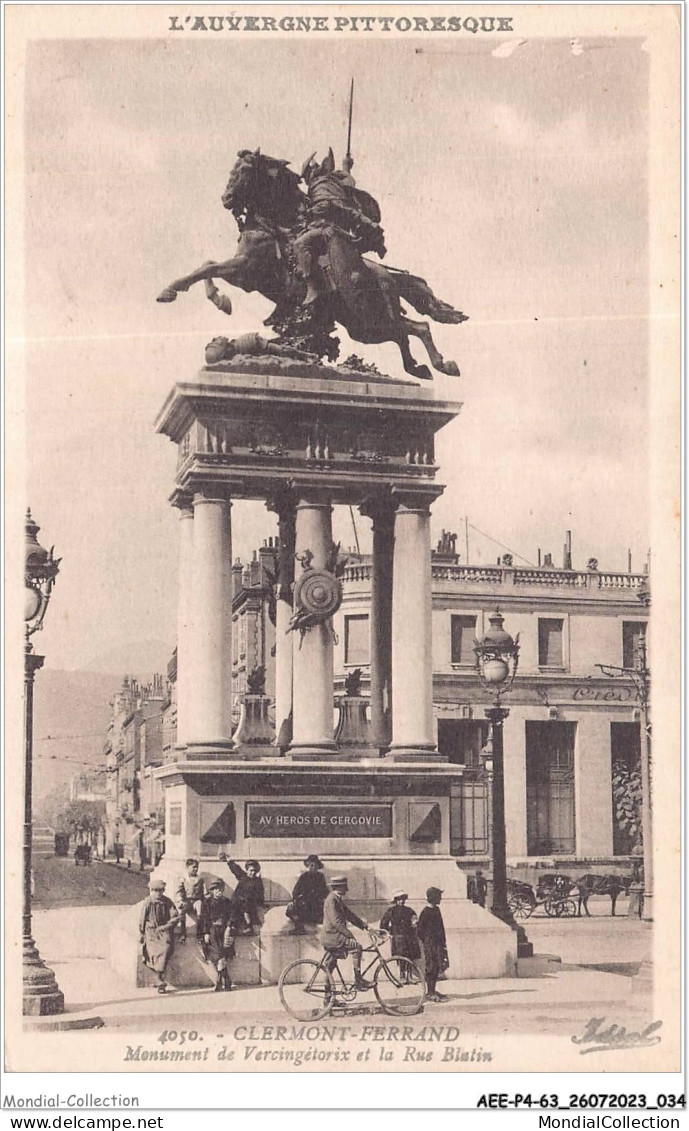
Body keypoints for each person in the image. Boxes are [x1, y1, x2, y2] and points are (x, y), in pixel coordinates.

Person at [293, 148, 386, 306]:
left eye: (308, 173)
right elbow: (349, 183)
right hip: (342, 232)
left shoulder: (319, 186)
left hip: (324, 230)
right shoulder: (334, 182)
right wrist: (346, 167)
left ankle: (312, 287)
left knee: (299, 244)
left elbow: (326, 206)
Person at [321, 875, 371, 991]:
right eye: (345, 886)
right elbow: (337, 922)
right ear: (339, 887)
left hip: (332, 937)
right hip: (333, 937)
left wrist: (365, 927)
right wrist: (350, 937)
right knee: (357, 947)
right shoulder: (332, 900)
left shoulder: (336, 899)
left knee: (329, 968)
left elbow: (350, 915)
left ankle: (327, 1000)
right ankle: (358, 981)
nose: (347, 889)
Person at [139, 879, 183, 994]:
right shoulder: (148, 902)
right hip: (151, 932)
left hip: (163, 930)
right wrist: (142, 933)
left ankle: (159, 977)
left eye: (160, 891)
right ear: (151, 891)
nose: (158, 893)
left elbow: (175, 916)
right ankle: (159, 979)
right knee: (154, 952)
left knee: (166, 947)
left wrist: (166, 926)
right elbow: (142, 919)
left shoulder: (167, 902)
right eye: (156, 891)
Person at [198, 878, 235, 992]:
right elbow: (204, 919)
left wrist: (229, 926)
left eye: (220, 889)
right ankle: (226, 979)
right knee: (219, 955)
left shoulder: (227, 902)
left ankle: (220, 981)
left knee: (222, 954)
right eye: (216, 889)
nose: (219, 891)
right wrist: (206, 932)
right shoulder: (207, 903)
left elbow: (232, 916)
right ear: (212, 891)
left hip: (224, 931)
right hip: (212, 930)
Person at [417, 887, 449, 1003]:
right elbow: (420, 930)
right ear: (433, 898)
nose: (441, 898)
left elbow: (441, 928)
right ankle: (430, 992)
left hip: (438, 943)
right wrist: (427, 941)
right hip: (430, 943)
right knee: (431, 966)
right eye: (439, 896)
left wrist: (443, 942)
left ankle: (433, 990)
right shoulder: (425, 912)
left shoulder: (437, 910)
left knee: (436, 966)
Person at [218, 853, 265, 933]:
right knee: (233, 906)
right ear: (246, 870)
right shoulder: (243, 876)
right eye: (250, 870)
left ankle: (248, 926)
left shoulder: (257, 881)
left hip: (248, 903)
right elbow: (235, 869)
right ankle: (233, 925)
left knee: (246, 906)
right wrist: (229, 861)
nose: (252, 873)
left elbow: (260, 893)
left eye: (254, 871)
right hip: (237, 901)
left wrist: (260, 903)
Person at [286, 854, 329, 933]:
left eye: (314, 865)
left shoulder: (320, 877)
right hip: (305, 904)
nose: (312, 867)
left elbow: (325, 892)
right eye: (310, 865)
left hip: (317, 905)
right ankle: (299, 927)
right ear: (308, 866)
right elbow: (296, 891)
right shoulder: (304, 876)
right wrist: (292, 901)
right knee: (291, 910)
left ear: (317, 866)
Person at [380, 890, 420, 969]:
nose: (401, 901)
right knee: (400, 956)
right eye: (399, 899)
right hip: (398, 937)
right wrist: (388, 932)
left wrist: (414, 924)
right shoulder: (391, 911)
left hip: (409, 937)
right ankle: (402, 975)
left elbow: (415, 921)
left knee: (410, 956)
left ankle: (409, 974)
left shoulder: (409, 910)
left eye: (403, 899)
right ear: (396, 900)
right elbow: (384, 923)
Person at [175, 858, 206, 942]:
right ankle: (183, 934)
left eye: (197, 867)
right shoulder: (183, 879)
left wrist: (204, 900)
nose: (195, 869)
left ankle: (199, 935)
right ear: (187, 867)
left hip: (196, 900)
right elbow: (179, 890)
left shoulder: (200, 879)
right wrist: (180, 900)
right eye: (193, 867)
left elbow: (204, 892)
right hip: (186, 900)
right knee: (181, 912)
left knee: (200, 912)